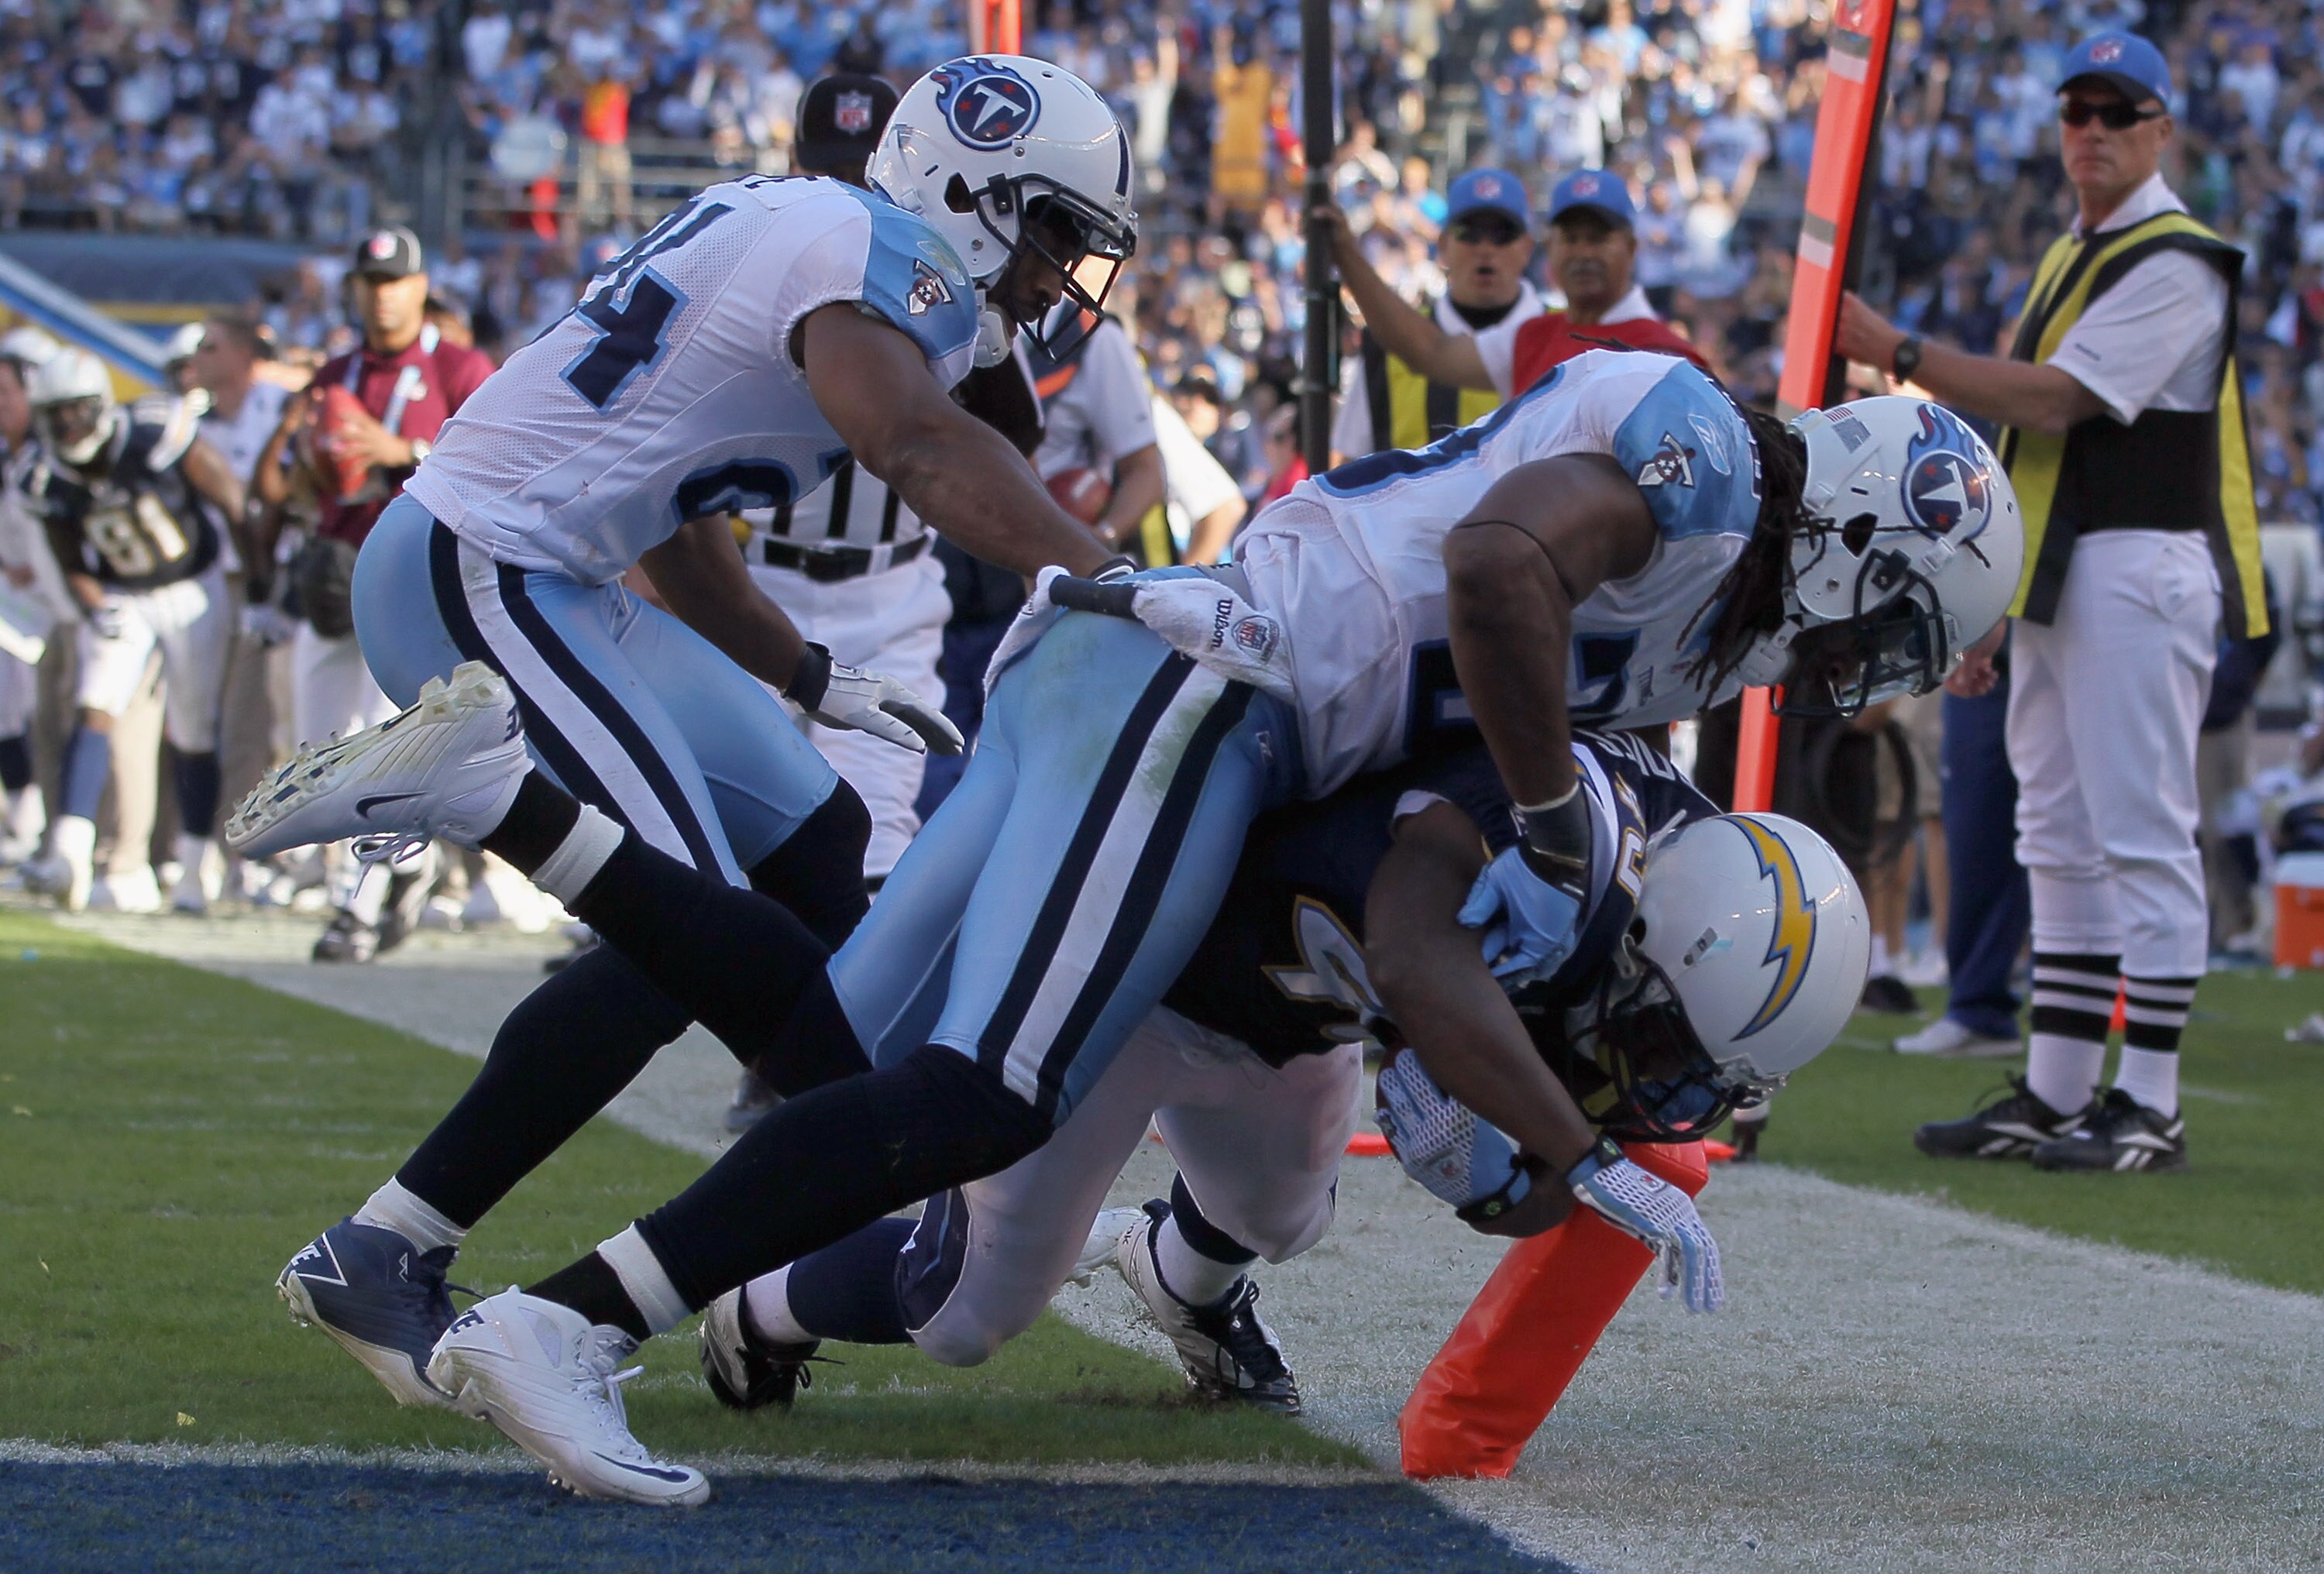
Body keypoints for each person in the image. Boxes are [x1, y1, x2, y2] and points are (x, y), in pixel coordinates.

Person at [240, 348, 2022, 1501]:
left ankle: (496, 860)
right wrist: (1550, 927)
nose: (1857, 672)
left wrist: (1517, 1075)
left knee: (831, 1063)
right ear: (1867, 527)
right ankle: (561, 1310)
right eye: (1883, 627)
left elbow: (1450, 843)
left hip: (1199, 717)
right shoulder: (1692, 455)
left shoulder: (1693, 659)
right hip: (1207, 688)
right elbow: (1488, 582)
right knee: (977, 1091)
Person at [233, 56, 1137, 1507]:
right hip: (486, 569)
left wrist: (801, 675)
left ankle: (858, 1173)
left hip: (562, 574)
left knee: (821, 843)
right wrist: (1122, 583)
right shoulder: (866, 253)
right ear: (971, 187)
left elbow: (678, 519)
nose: (1055, 277)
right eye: (1047, 232)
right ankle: (406, 1243)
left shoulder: (804, 235)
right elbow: (917, 444)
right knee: (682, 928)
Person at [700, 731, 1867, 1418]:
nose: (1651, 1078)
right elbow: (1418, 959)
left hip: (1284, 1010)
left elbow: (1494, 1179)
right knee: (961, 1316)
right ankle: (756, 1304)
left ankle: (1178, 1281)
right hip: (1129, 979)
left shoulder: (1658, 881)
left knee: (1279, 1215)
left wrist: (1533, 1132)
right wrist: (1556, 1136)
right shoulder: (1560, 846)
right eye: (1663, 1045)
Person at [1838, 33, 2259, 1173]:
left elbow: (2059, 403)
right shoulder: (2083, 254)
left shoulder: (2177, 257)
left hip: (2138, 561)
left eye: (2117, 112)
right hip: (2071, 569)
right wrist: (1992, 601)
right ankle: (2063, 1086)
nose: (2092, 130)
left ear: (2162, 131)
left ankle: (2151, 1102)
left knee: (2137, 828)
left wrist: (1906, 350)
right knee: (2059, 834)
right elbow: (2028, 440)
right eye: (2077, 110)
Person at [250, 228, 496, 959]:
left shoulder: (459, 366)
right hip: (334, 574)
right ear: (355, 289)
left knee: (392, 746)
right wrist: (308, 468)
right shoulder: (334, 373)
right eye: (370, 281)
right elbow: (282, 487)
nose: (382, 295)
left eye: (395, 281)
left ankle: (370, 896)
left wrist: (400, 454)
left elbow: (495, 461)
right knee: (319, 747)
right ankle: (369, 886)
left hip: (413, 581)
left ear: (421, 287)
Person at [16, 348, 245, 914]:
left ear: (99, 406)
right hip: (123, 593)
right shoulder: (43, 475)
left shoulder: (153, 433)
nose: (68, 425)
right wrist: (97, 605)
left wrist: (259, 585)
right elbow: (71, 560)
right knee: (96, 702)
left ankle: (194, 863)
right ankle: (70, 848)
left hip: (193, 587)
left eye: (76, 411)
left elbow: (230, 501)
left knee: (193, 727)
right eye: (56, 414)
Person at [1322, 170, 1707, 411]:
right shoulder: (1533, 337)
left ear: (1631, 247)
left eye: (1598, 238)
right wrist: (1344, 251)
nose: (1583, 254)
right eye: (1571, 239)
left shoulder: (1664, 355)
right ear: (1549, 248)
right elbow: (1431, 353)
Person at [1329, 168, 1545, 460]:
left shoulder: (1567, 340)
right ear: (1443, 245)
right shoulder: (1387, 346)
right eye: (1469, 233)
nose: (1485, 249)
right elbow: (1346, 463)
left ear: (1527, 248)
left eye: (1502, 234)